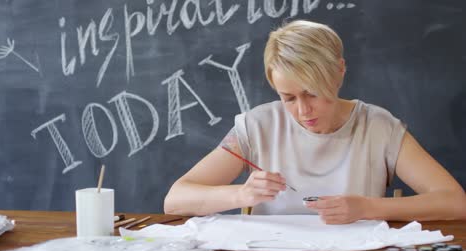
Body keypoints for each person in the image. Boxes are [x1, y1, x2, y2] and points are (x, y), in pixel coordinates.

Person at [164, 20, 466, 224]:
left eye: (312, 93)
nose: (303, 111)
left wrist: (368, 208)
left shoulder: (378, 126)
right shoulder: (257, 126)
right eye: (288, 98)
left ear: (339, 72)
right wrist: (241, 194)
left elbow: (455, 202)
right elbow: (176, 200)